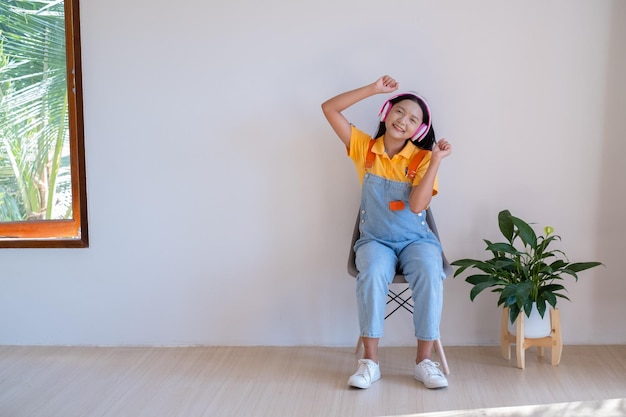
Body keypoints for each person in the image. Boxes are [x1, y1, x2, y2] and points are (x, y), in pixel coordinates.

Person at [321, 75, 452, 389]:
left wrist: (435, 160)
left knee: (429, 270)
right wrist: (372, 89)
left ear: (419, 130)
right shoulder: (365, 149)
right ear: (386, 111)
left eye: (413, 119)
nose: (403, 121)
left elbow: (418, 205)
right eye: (399, 112)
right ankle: (370, 363)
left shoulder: (421, 158)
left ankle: (424, 362)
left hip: (415, 240)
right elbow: (329, 109)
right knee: (374, 271)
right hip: (375, 240)